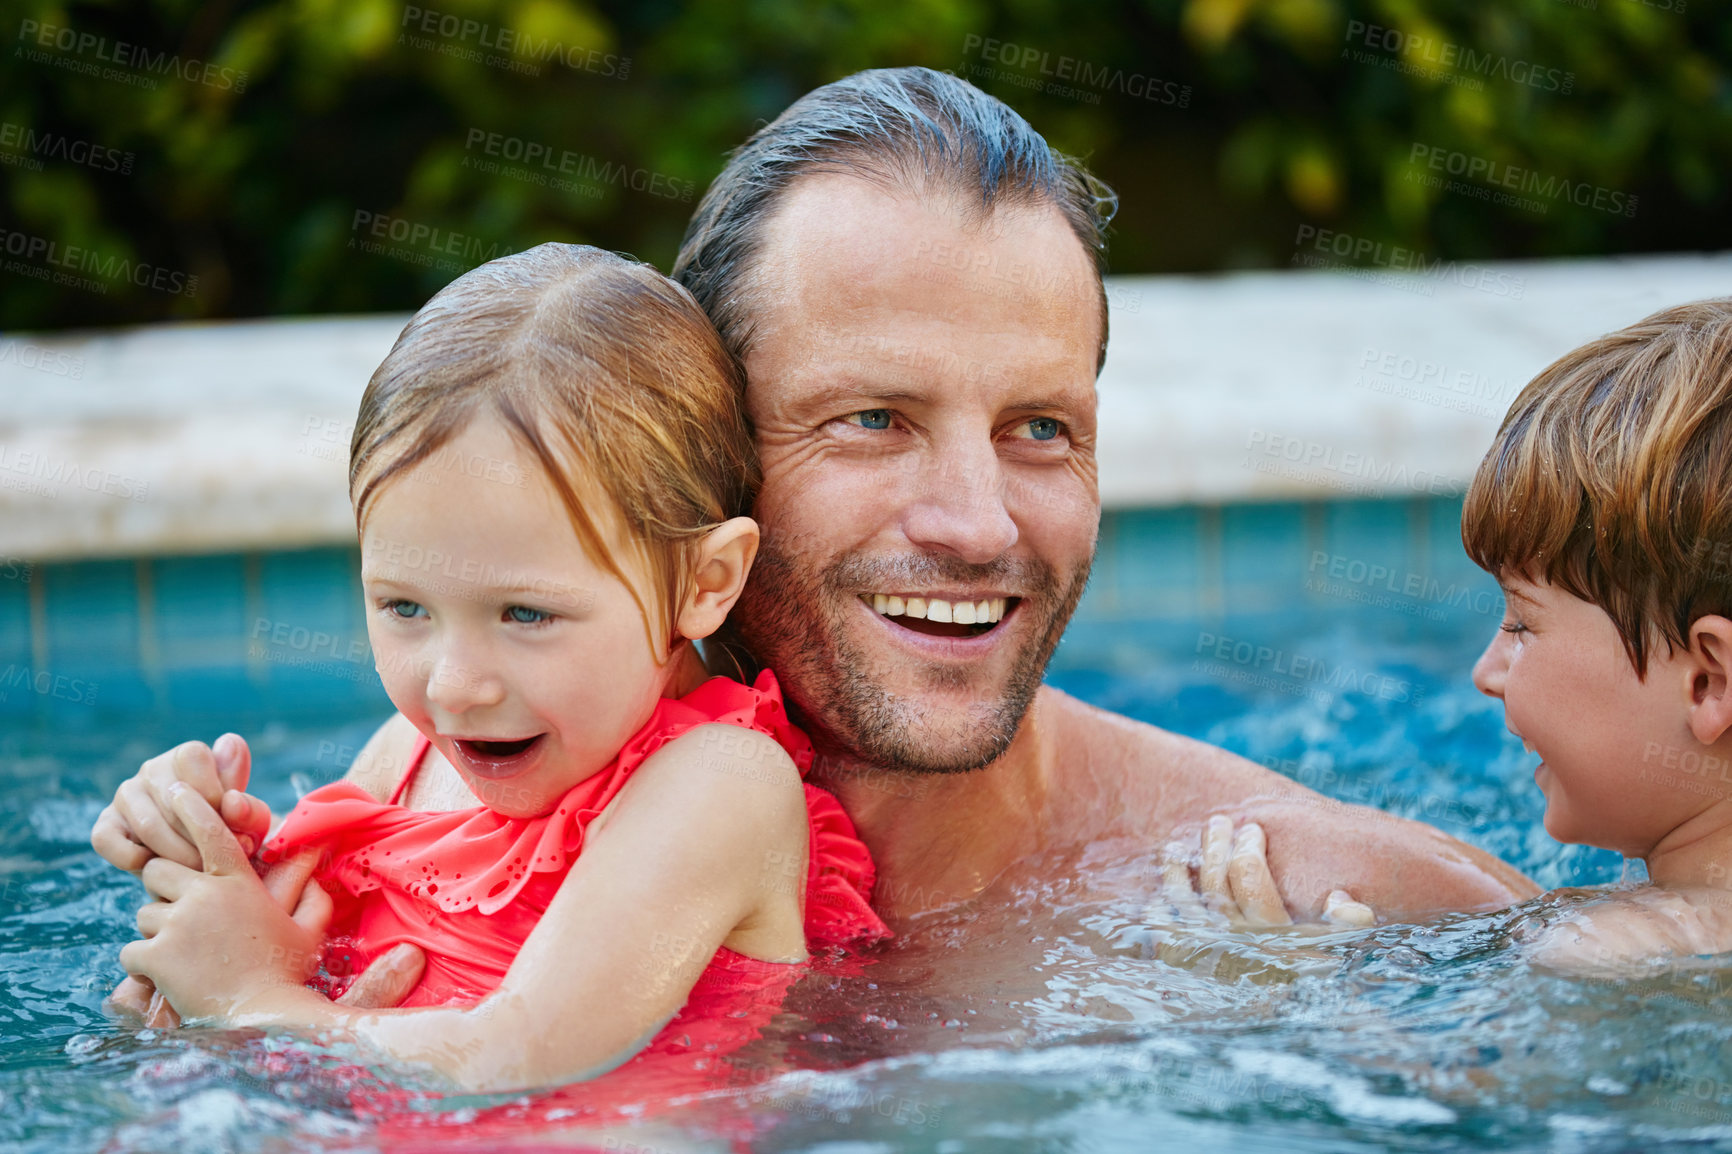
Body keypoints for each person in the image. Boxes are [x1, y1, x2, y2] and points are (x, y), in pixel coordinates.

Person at [95, 68, 1536, 1025]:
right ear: (699, 463)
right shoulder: (471, 770)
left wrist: (1306, 1052)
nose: (977, 523)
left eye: (1041, 428)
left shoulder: (1317, 904)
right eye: (871, 418)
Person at [108, 243, 888, 1093]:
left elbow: (518, 1055)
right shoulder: (404, 756)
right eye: (405, 608)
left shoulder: (720, 785)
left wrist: (248, 996)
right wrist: (201, 865)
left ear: (705, 583)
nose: (451, 687)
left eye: (526, 614)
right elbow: (270, 990)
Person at [1460, 299, 1732, 968]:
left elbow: (1452, 1076)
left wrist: (1279, 961)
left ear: (1709, 681)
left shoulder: (1612, 950)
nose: (1486, 672)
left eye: (1522, 624)